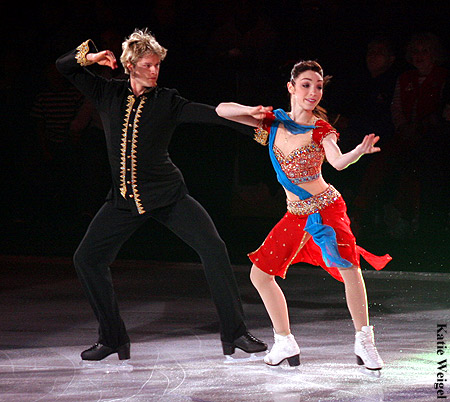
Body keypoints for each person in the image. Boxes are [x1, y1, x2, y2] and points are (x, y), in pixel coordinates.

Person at [55, 28, 267, 361]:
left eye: (157, 65)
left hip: (169, 197)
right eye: (148, 65)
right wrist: (92, 58)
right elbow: (64, 66)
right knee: (87, 259)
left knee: (214, 249)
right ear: (130, 65)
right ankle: (112, 338)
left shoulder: (167, 100)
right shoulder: (105, 92)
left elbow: (211, 114)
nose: (155, 71)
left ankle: (235, 333)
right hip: (122, 203)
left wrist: (259, 127)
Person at [216, 60, 392, 373]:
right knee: (260, 274)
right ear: (291, 87)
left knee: (349, 270)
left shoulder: (321, 129)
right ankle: (284, 341)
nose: (313, 92)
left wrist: (357, 153)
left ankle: (364, 342)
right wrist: (254, 110)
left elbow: (337, 162)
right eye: (306, 85)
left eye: (319, 86)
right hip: (296, 213)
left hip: (326, 208)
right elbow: (221, 110)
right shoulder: (272, 122)